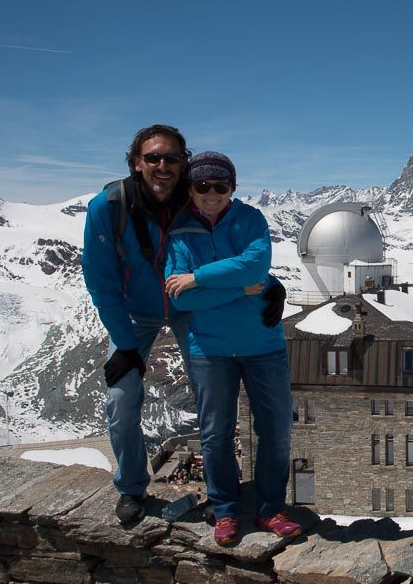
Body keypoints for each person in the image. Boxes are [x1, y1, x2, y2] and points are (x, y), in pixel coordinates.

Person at [82, 126, 287, 524]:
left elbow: (233, 252)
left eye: (172, 158)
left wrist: (270, 284)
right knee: (122, 400)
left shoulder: (193, 195)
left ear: (184, 163)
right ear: (136, 162)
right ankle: (131, 487)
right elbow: (101, 283)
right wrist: (124, 344)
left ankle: (220, 498)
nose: (162, 166)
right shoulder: (108, 207)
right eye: (153, 158)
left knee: (210, 407)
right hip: (136, 313)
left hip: (189, 311)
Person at [165, 151, 299, 546]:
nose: (211, 194)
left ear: (232, 188)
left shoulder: (251, 220)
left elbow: (255, 268)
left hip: (262, 345)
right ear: (190, 188)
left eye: (219, 186)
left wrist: (199, 278)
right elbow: (180, 300)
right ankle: (225, 510)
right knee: (215, 435)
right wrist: (240, 289)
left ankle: (270, 507)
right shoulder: (180, 230)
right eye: (202, 186)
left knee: (276, 431)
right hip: (210, 348)